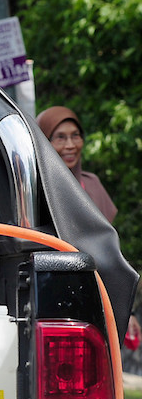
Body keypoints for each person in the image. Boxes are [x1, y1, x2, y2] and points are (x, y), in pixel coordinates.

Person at [36, 105, 141, 343]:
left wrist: (129, 310)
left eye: (76, 135)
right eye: (60, 137)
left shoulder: (92, 186)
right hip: (53, 298)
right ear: (43, 141)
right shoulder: (36, 191)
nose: (71, 145)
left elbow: (112, 253)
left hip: (97, 298)